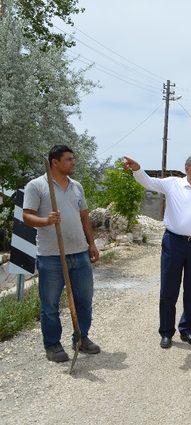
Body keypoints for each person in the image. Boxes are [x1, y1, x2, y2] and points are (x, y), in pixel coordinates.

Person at [123, 155, 191, 349]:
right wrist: (137, 169)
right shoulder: (172, 184)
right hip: (174, 243)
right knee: (169, 289)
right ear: (187, 168)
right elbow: (148, 182)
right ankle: (166, 332)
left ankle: (187, 329)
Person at [23, 145, 101, 363]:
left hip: (79, 254)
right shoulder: (37, 186)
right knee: (50, 304)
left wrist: (91, 243)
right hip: (51, 256)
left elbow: (84, 217)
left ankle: (81, 338)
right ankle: (53, 345)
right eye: (68, 159)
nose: (73, 162)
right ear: (54, 162)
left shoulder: (77, 187)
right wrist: (46, 220)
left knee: (84, 300)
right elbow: (27, 217)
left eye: (73, 159)